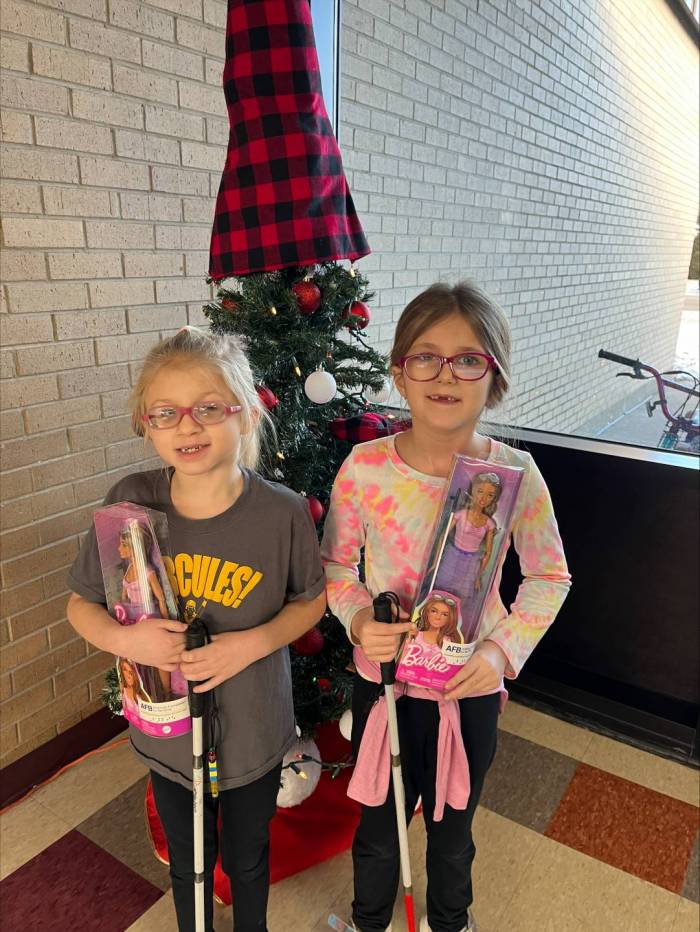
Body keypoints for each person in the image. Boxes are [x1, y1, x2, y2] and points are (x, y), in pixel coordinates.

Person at [321, 281, 571, 932]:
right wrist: (355, 619)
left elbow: (549, 575)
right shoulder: (365, 471)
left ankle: (450, 922)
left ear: (495, 377)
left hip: (469, 689)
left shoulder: (516, 476)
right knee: (378, 829)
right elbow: (336, 568)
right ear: (400, 374)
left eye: (468, 359)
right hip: (386, 686)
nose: (445, 374)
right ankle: (369, 921)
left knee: (453, 832)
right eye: (425, 357)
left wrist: (500, 650)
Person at [66, 326, 326, 932]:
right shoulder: (131, 502)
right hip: (168, 731)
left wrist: (250, 644)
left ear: (245, 414)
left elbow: (310, 604)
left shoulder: (283, 511)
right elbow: (81, 605)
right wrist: (127, 640)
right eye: (167, 413)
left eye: (209, 408)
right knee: (189, 862)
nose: (188, 426)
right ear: (145, 423)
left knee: (247, 856)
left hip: (253, 732)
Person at [438, 473, 502, 643]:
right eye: (480, 491)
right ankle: (436, 628)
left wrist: (479, 576)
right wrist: (435, 563)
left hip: (471, 563)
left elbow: (488, 553)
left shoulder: (490, 523)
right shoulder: (461, 514)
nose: (484, 498)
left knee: (463, 598)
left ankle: (453, 633)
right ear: (472, 491)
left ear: (494, 498)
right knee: (442, 591)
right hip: (453, 556)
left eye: (490, 495)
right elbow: (443, 538)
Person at [117, 522, 172, 701]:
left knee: (160, 657)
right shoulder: (129, 570)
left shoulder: (147, 571)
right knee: (136, 657)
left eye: (123, 545)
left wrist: (166, 619)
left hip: (149, 616)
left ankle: (166, 691)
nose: (119, 549)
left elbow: (161, 597)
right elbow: (124, 596)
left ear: (133, 548)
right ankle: (144, 690)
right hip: (133, 619)